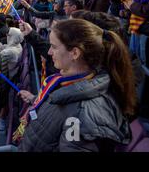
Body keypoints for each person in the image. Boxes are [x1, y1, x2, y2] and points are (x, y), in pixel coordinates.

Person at [17, 19, 136, 152]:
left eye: (54, 47)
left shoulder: (82, 116)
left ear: (75, 53)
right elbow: (59, 112)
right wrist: (35, 99)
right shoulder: (70, 81)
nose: (49, 52)